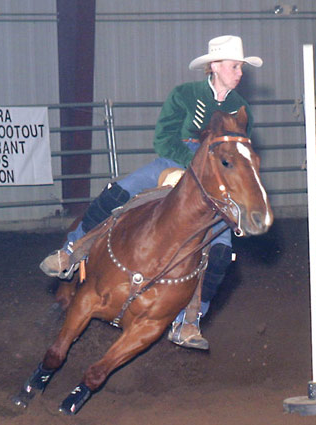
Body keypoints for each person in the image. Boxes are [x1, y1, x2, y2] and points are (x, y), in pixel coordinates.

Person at [40, 35, 262, 350]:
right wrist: (194, 164)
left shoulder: (242, 109)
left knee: (222, 251)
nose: (239, 72)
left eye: (240, 67)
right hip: (173, 161)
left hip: (214, 180)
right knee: (120, 191)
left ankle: (190, 321)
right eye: (234, 66)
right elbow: (164, 138)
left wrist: (215, 176)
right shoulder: (184, 95)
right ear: (214, 66)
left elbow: (238, 156)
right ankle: (71, 251)